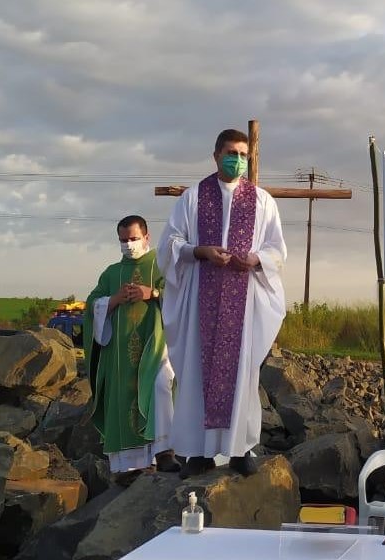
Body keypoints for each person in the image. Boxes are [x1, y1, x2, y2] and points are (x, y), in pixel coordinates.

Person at [157, 128, 288, 478]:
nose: (238, 159)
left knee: (242, 374)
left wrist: (256, 259)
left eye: (244, 154)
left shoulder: (262, 201)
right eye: (231, 152)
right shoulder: (193, 197)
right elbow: (169, 244)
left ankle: (241, 450)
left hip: (242, 301)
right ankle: (197, 454)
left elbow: (278, 250)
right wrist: (199, 251)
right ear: (215, 155)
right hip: (202, 295)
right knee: (196, 374)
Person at [83, 215, 181, 475]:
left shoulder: (161, 265)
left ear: (147, 237)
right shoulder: (112, 273)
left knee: (161, 385)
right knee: (125, 400)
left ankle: (165, 452)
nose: (129, 245)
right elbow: (91, 305)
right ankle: (131, 468)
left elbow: (182, 296)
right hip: (120, 356)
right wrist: (113, 300)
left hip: (158, 347)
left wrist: (153, 293)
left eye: (134, 239)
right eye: (123, 240)